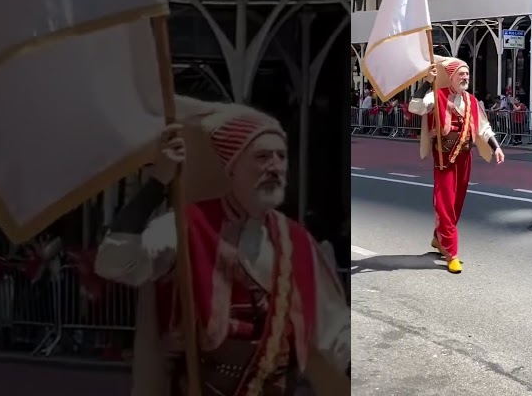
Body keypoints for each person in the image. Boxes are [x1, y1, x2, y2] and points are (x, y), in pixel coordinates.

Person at [94, 97, 350, 395]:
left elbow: (335, 335)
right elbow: (113, 261)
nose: (275, 167)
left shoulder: (298, 243)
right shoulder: (185, 226)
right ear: (232, 168)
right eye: (262, 157)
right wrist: (157, 182)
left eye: (281, 157)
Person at [408, 56, 506, 274]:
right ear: (451, 77)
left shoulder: (472, 100)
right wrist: (426, 82)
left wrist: (496, 147)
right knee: (444, 204)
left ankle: (438, 238)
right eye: (461, 74)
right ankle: (452, 253)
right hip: (444, 159)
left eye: (467, 74)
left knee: (456, 205)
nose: (465, 77)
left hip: (464, 158)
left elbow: (483, 128)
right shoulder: (436, 95)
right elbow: (415, 108)